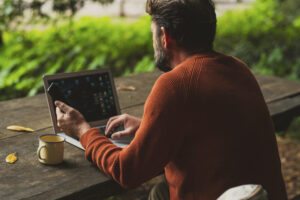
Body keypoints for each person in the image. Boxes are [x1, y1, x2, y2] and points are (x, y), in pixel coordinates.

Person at [55, 0, 288, 199]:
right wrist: (150, 127)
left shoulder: (175, 85)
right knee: (161, 191)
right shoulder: (238, 69)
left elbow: (128, 172)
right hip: (260, 195)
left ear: (165, 36)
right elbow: (213, 129)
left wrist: (83, 131)